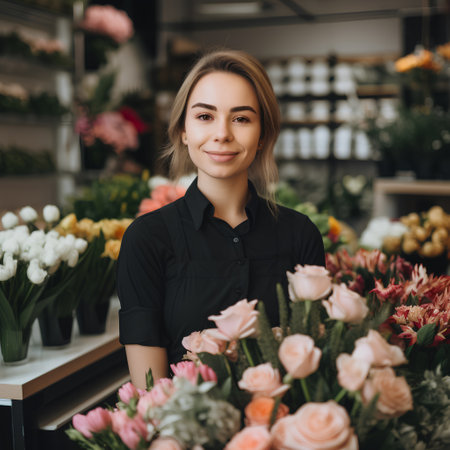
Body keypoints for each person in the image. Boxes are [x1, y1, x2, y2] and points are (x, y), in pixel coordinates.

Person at [117, 49, 325, 389]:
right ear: (183, 130)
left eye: (241, 118)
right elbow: (149, 395)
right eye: (204, 117)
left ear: (263, 135)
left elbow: (311, 363)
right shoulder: (147, 238)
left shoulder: (300, 234)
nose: (222, 133)